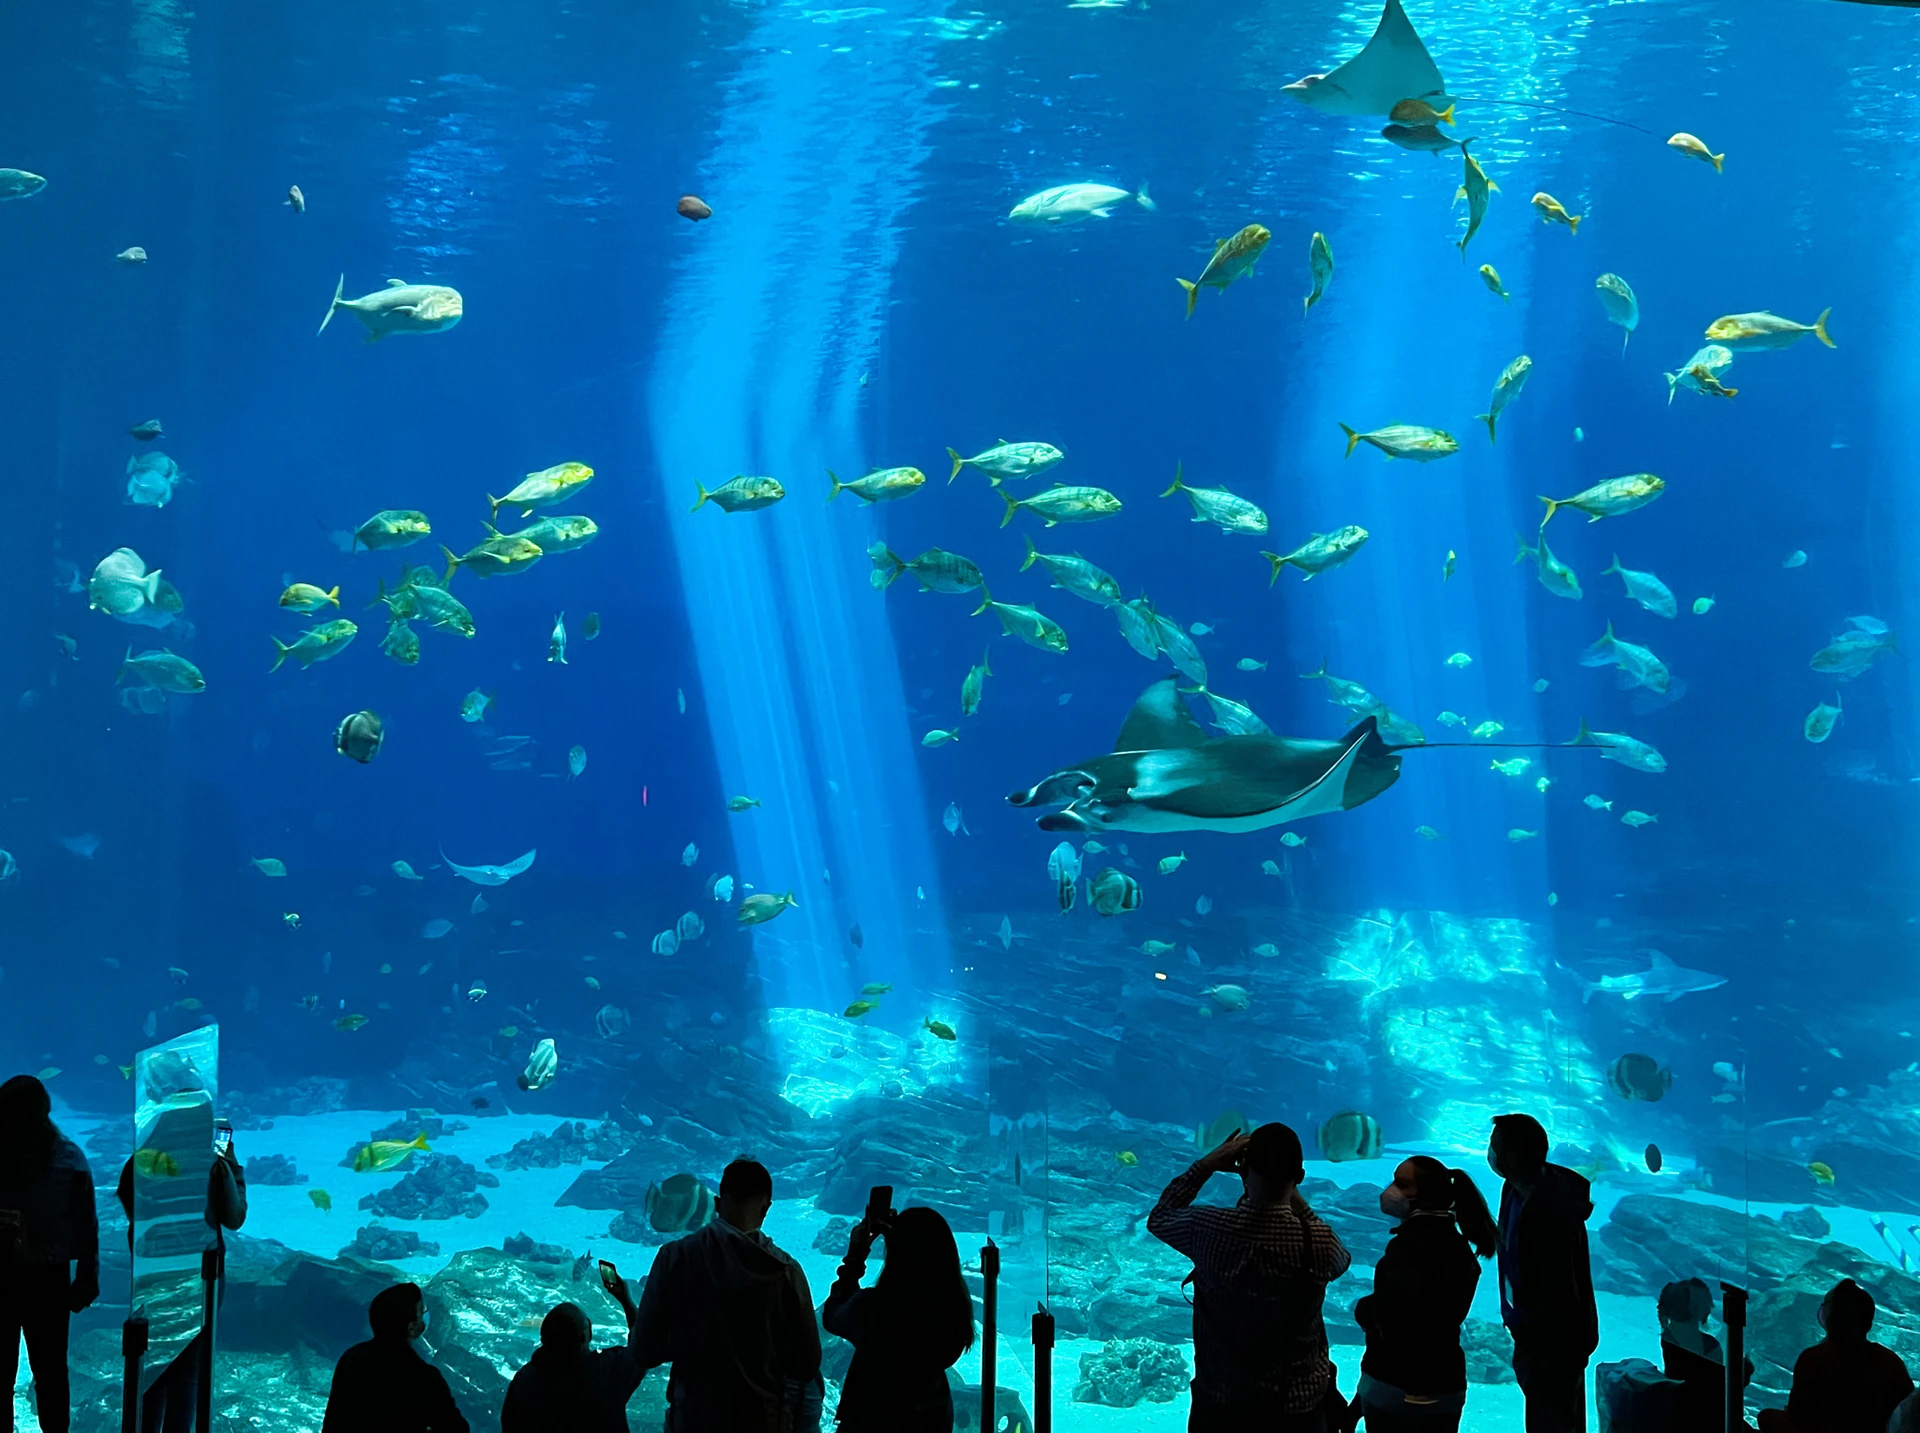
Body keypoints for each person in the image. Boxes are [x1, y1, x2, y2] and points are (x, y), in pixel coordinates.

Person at [1147, 1122, 1352, 1432]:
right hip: (1297, 1408)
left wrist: (1207, 1165)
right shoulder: (1319, 1241)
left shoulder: (1208, 1228)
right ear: (1299, 1177)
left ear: (1243, 1172)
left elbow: (1160, 1217)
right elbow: (1342, 1261)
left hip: (1222, 1401)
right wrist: (1298, 1201)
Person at [630, 1158, 823, 1433]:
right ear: (766, 1208)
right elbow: (806, 1366)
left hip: (693, 1421)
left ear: (719, 1204)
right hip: (764, 1421)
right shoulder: (786, 1272)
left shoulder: (674, 1258)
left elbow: (643, 1351)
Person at [1347, 1156, 1498, 1431]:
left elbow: (1395, 1317)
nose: (1390, 1190)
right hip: (1446, 1385)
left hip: (1397, 1386)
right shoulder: (1459, 1247)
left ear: (1424, 1196)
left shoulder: (1408, 1249)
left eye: (1401, 1184)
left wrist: (1364, 1310)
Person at [114, 1123, 248, 1433]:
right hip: (201, 1279)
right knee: (186, 1375)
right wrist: (229, 1165)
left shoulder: (144, 1157)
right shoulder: (212, 1164)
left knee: (152, 1370)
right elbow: (234, 1217)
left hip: (154, 1276)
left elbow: (129, 1204)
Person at [0, 1074, 98, 1433]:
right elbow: (87, 1225)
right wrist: (87, 1277)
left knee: (40, 1375)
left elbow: (87, 1223)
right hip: (48, 1280)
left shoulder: (69, 1160)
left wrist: (87, 1276)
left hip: (21, 1278)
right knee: (52, 1374)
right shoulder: (70, 1158)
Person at [1488, 1113, 1597, 1433]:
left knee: (1555, 1420)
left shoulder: (1553, 1211)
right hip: (1532, 1336)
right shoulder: (1514, 1189)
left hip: (1554, 1344)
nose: (1490, 1153)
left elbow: (1561, 1290)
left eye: (1494, 1147)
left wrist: (1537, 1336)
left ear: (1510, 1157)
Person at [824, 1205, 974, 1431]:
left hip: (872, 1420)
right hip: (930, 1421)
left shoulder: (876, 1307)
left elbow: (833, 1317)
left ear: (895, 1253)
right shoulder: (954, 1309)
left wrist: (856, 1256)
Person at [1756, 1277, 1912, 1433]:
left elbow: (1798, 1416)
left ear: (1831, 1316)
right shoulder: (1889, 1360)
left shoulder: (1814, 1358)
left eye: (1826, 1305)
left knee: (1767, 1417)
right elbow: (1909, 1410)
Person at [324, 1282, 469, 1432]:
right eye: (421, 1311)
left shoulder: (351, 1360)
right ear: (411, 1327)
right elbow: (457, 1429)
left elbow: (332, 1423)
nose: (425, 1314)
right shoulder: (425, 1378)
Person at [501, 1284, 646, 1433]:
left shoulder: (523, 1381)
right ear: (585, 1335)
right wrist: (625, 1300)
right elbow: (644, 1347)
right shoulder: (608, 1370)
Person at [1657, 1277, 1752, 1432]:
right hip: (1705, 1417)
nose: (1711, 1307)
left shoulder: (1668, 1337)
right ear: (1694, 1309)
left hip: (1690, 1414)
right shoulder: (1708, 1346)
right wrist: (1743, 1373)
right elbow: (1716, 1393)